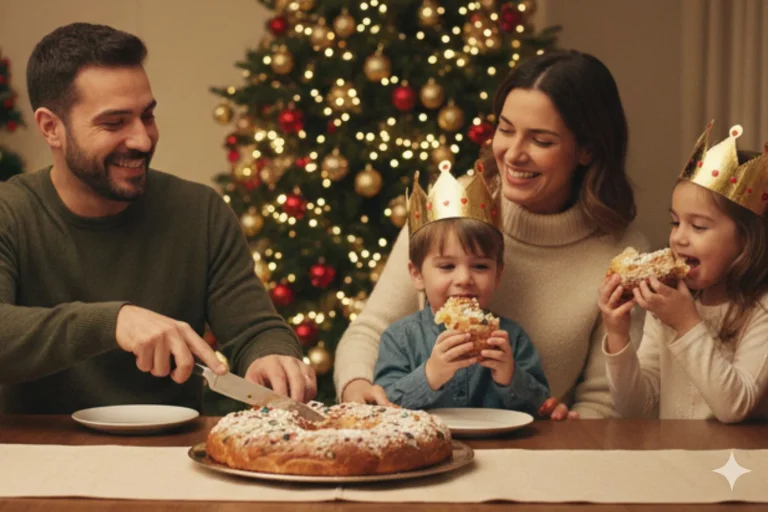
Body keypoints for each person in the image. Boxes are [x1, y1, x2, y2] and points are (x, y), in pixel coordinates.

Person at [0, 23, 316, 414]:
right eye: (114, 123)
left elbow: (255, 328)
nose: (143, 140)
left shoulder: (200, 211)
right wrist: (115, 322)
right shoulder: (9, 212)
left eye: (147, 116)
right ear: (51, 128)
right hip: (32, 455)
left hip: (171, 456)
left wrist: (270, 355)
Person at [335, 50, 649, 420]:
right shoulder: (449, 210)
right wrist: (356, 385)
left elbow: (603, 397)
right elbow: (372, 328)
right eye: (505, 129)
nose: (513, 154)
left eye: (541, 141)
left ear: (586, 150)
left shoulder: (621, 253)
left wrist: (571, 428)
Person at [599, 124, 768, 422]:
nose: (678, 238)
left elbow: (734, 407)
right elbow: (635, 409)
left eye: (699, 226)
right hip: (675, 458)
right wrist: (617, 335)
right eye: (675, 223)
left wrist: (687, 323)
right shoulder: (670, 302)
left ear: (747, 239)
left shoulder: (761, 310)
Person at [373, 170, 550, 412]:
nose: (464, 279)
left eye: (480, 266)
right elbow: (383, 409)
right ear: (417, 275)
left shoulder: (511, 338)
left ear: (497, 275)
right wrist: (430, 375)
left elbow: (541, 408)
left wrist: (510, 376)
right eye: (446, 266)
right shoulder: (400, 339)